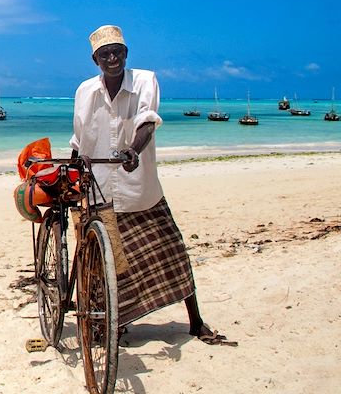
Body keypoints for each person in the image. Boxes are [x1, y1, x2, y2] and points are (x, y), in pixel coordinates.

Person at [69, 25, 235, 346]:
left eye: (118, 52)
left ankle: (196, 321)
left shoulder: (145, 80)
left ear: (126, 54)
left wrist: (134, 150)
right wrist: (75, 165)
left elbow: (147, 121)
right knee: (104, 264)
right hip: (99, 188)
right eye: (105, 54)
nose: (112, 59)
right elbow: (80, 136)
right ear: (95, 60)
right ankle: (114, 321)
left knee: (172, 254)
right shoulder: (85, 91)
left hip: (140, 188)